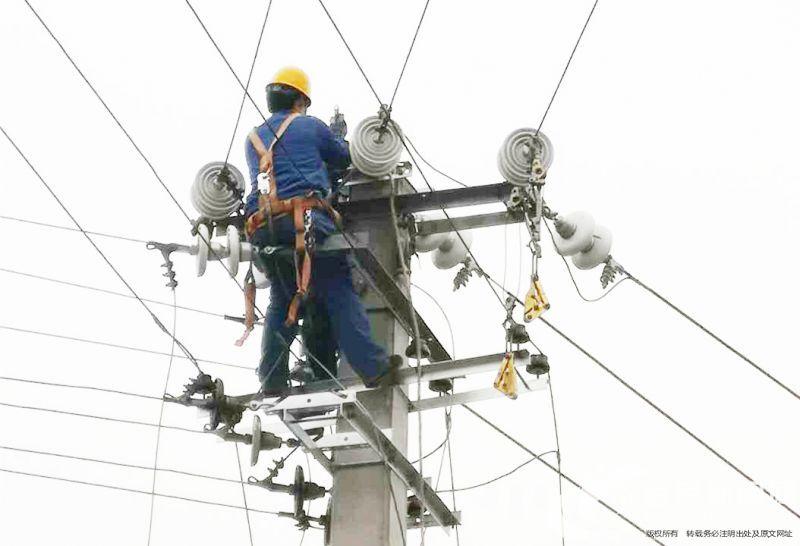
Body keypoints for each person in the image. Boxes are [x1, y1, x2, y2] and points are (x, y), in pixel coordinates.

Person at [244, 66, 399, 394]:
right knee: (338, 291)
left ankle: (271, 381)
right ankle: (372, 367)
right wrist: (339, 137)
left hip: (264, 227)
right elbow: (345, 157)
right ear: (301, 100)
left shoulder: (253, 138)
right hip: (305, 223)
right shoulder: (310, 128)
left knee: (282, 299)